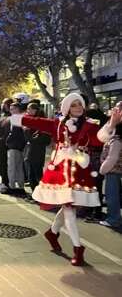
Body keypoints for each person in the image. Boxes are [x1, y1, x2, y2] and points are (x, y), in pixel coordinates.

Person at [10, 93, 102, 266]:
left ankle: (52, 232)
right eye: (74, 105)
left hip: (79, 171)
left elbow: (99, 140)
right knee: (68, 208)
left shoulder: (89, 125)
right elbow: (34, 121)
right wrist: (16, 117)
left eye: (79, 104)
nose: (78, 107)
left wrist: (111, 124)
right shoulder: (57, 124)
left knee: (69, 207)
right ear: (67, 108)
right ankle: (78, 248)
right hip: (60, 171)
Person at [97, 102, 122, 228]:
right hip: (115, 170)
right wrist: (112, 123)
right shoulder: (114, 131)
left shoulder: (116, 139)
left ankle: (113, 219)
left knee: (112, 195)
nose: (113, 110)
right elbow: (101, 136)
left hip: (113, 170)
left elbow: (112, 157)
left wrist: (102, 169)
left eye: (116, 108)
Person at [23, 103, 51, 200]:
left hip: (38, 151)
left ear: (35, 110)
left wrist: (29, 133)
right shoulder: (31, 122)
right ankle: (35, 194)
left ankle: (40, 195)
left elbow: (45, 139)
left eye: (29, 109)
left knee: (36, 174)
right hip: (31, 150)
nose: (28, 111)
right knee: (31, 174)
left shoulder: (42, 122)